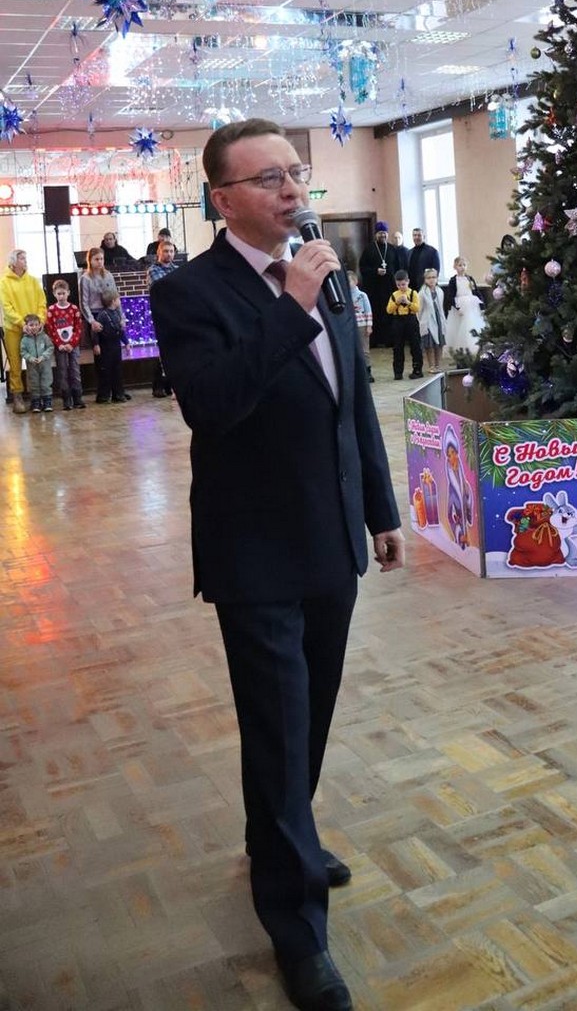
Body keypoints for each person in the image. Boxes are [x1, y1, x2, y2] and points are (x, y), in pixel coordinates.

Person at [149, 118, 403, 1011]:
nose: (293, 190)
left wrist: (380, 508)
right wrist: (289, 306)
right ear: (223, 199)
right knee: (278, 723)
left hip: (331, 535)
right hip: (254, 548)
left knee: (314, 712)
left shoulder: (321, 272)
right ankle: (296, 925)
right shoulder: (188, 293)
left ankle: (283, 834)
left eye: (296, 173)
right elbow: (213, 407)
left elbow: (353, 404)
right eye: (269, 179)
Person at [0, 249, 47, 414]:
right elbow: (7, 308)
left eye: (25, 258)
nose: (25, 260)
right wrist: (22, 323)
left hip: (34, 330)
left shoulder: (33, 281)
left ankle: (36, 396)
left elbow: (42, 303)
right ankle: (17, 396)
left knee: (35, 362)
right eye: (21, 258)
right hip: (14, 329)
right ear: (13, 262)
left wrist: (40, 321)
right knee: (15, 364)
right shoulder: (4, 282)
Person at [46, 278, 86, 410]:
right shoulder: (51, 310)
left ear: (68, 293)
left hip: (72, 346)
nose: (61, 296)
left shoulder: (74, 309)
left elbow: (78, 328)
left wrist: (72, 344)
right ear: (54, 294)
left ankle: (78, 398)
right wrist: (59, 344)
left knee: (75, 371)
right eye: (59, 294)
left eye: (63, 293)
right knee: (62, 371)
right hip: (60, 347)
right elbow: (51, 330)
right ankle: (66, 400)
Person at [147, 240, 179, 397]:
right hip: (162, 314)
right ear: (159, 253)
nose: (169, 254)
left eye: (171, 251)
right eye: (166, 251)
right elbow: (161, 287)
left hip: (177, 314)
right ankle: (158, 385)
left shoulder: (177, 269)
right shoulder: (153, 270)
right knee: (163, 349)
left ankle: (171, 385)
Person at [357, 222, 397, 349]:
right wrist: (376, 271)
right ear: (376, 234)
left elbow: (398, 267)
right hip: (373, 288)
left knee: (388, 313)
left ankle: (389, 340)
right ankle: (374, 341)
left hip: (389, 287)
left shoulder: (391, 249)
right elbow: (363, 267)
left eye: (384, 233)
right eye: (380, 233)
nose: (383, 235)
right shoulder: (369, 249)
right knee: (375, 313)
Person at [93, 293, 131, 404]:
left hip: (116, 345)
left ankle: (118, 394)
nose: (120, 301)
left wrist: (126, 342)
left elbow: (120, 330)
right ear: (113, 301)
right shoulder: (102, 315)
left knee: (117, 370)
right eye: (118, 299)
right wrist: (96, 344)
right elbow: (95, 332)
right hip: (105, 346)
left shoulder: (117, 314)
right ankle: (103, 395)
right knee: (106, 371)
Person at [443, 256, 485, 356]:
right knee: (460, 329)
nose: (462, 267)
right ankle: (462, 351)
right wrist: (457, 308)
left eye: (464, 265)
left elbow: (476, 291)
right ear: (455, 267)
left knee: (473, 325)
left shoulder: (470, 279)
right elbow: (450, 296)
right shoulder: (453, 280)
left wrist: (482, 304)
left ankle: (474, 349)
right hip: (460, 306)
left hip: (472, 306)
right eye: (460, 265)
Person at [386, 269, 422, 381]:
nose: (401, 287)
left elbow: (417, 308)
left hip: (411, 320)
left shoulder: (413, 293)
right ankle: (398, 372)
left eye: (403, 284)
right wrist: (397, 302)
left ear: (408, 282)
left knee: (415, 345)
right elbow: (389, 310)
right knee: (398, 347)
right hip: (398, 321)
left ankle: (417, 370)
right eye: (398, 285)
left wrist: (408, 303)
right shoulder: (394, 295)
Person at [80, 247, 122, 340]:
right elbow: (84, 303)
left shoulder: (108, 275)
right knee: (98, 348)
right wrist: (92, 321)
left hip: (110, 311)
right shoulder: (85, 278)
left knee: (112, 343)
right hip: (95, 314)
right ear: (90, 260)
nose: (99, 261)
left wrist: (121, 317)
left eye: (101, 259)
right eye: (96, 259)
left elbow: (115, 297)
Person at [20, 314, 55, 413]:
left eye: (36, 324)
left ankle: (47, 402)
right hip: (32, 366)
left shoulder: (44, 337)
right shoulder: (25, 340)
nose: (34, 327)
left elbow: (50, 347)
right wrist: (30, 358)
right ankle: (36, 403)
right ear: (26, 326)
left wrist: (43, 356)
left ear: (40, 325)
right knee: (34, 383)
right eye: (31, 325)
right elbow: (23, 352)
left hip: (45, 365)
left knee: (46, 382)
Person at [347, 270, 374, 383]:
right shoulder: (344, 295)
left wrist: (369, 325)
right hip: (350, 326)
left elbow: (368, 310)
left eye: (350, 281)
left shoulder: (362, 296)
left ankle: (367, 372)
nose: (348, 284)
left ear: (356, 281)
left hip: (362, 325)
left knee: (364, 350)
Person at [418, 267, 446, 374]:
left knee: (439, 344)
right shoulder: (422, 293)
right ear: (425, 279)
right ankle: (431, 365)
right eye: (429, 278)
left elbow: (441, 306)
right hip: (428, 320)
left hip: (438, 319)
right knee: (429, 345)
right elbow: (419, 310)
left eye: (434, 277)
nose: (431, 280)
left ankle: (438, 364)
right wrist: (422, 321)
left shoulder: (440, 291)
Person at [406, 227, 440, 292]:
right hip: (411, 288)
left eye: (419, 235)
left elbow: (436, 271)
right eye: (414, 235)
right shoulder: (409, 253)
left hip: (426, 287)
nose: (416, 237)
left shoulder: (432, 251)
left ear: (423, 237)